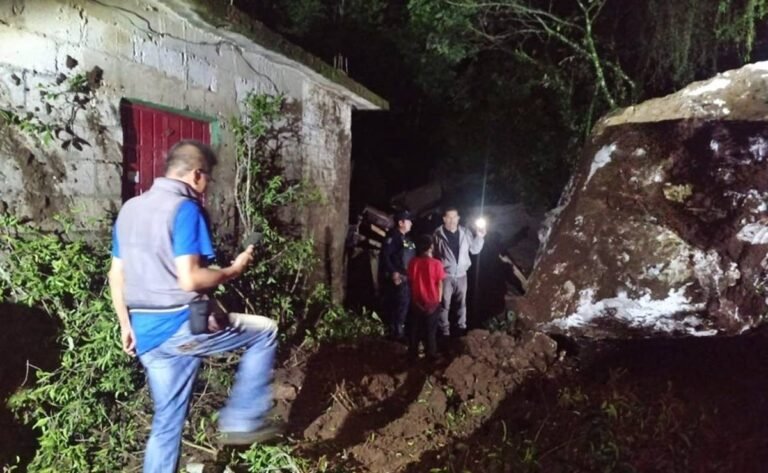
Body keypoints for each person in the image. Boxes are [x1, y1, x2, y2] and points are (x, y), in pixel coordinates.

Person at [108, 140, 281, 473]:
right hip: (181, 327)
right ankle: (243, 420)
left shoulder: (130, 209)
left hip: (145, 335)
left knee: (167, 422)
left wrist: (125, 325)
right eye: (208, 179)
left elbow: (117, 274)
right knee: (265, 332)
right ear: (197, 174)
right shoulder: (185, 208)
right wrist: (233, 270)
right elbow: (189, 279)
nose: (206, 187)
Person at [433, 206, 486, 337]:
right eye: (449, 217)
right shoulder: (438, 234)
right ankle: (444, 331)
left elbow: (474, 250)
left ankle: (461, 328)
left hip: (462, 275)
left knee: (461, 304)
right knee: (444, 304)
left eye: (454, 217)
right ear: (444, 219)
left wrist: (480, 237)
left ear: (458, 218)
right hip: (445, 275)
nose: (452, 220)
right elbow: (434, 255)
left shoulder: (465, 232)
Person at [407, 234, 446, 360]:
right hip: (432, 302)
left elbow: (411, 281)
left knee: (415, 330)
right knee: (431, 331)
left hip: (417, 301)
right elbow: (440, 283)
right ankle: (431, 355)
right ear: (431, 247)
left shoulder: (413, 262)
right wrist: (439, 300)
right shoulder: (437, 264)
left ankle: (413, 354)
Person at [378, 210, 415, 339]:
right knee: (398, 305)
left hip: (406, 277)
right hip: (397, 278)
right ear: (401, 223)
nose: (411, 223)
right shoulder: (393, 238)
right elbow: (385, 256)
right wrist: (393, 272)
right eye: (408, 221)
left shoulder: (406, 239)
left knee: (403, 305)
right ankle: (396, 334)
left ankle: (398, 332)